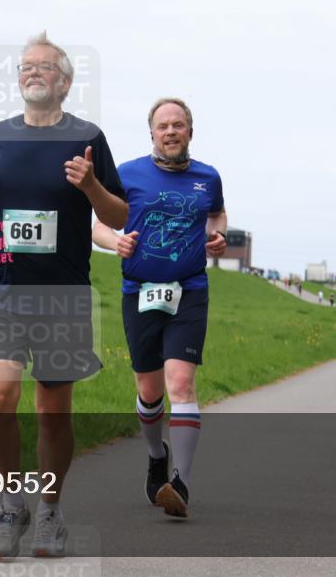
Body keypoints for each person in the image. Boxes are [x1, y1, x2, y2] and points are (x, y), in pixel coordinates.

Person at [0, 32, 127, 559]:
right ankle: (13, 503)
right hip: (3, 287)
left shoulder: (87, 136)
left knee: (52, 410)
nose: (31, 72)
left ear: (64, 80)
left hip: (62, 292)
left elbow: (118, 216)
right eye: (24, 67)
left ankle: (51, 512)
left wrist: (89, 186)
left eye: (42, 66)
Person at [92, 96, 226, 520]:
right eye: (163, 125)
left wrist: (217, 237)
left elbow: (218, 216)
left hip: (189, 289)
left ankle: (181, 483)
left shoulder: (208, 176)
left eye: (179, 125)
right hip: (140, 291)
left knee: (181, 383)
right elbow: (97, 223)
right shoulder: (127, 173)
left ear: (190, 131)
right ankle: (156, 455)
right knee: (149, 392)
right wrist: (118, 242)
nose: (171, 131)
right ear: (152, 133)